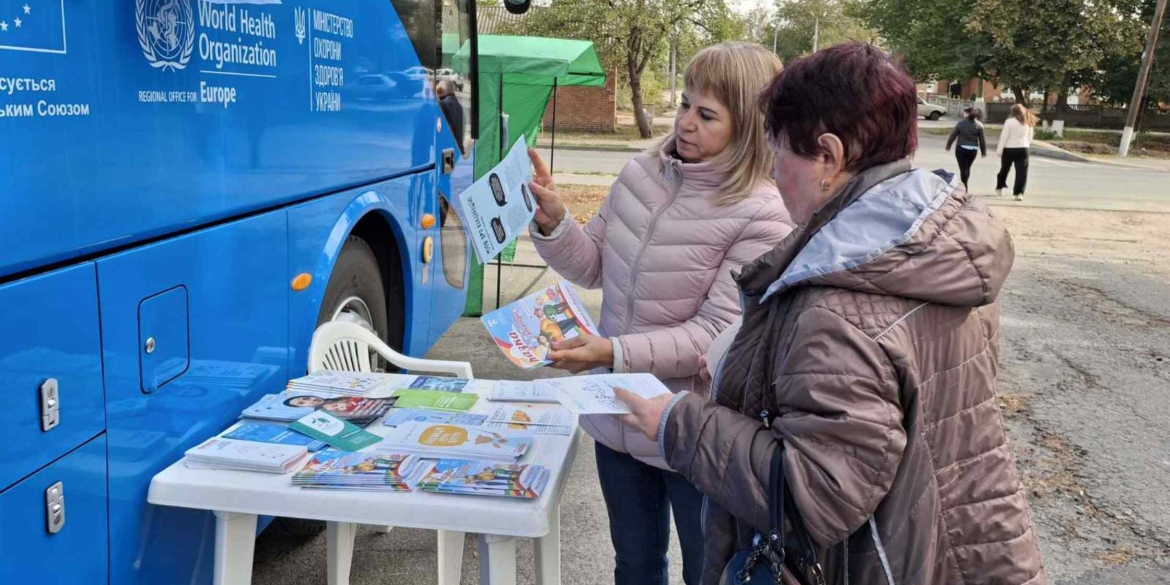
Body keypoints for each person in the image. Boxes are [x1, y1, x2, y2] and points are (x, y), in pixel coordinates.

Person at [617, 43, 1045, 584]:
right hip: (963, 545)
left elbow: (817, 493)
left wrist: (679, 423)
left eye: (779, 153)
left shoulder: (839, 303)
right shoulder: (930, 244)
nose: (772, 173)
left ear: (828, 155)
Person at [526, 42, 794, 585]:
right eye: (685, 104)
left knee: (707, 571)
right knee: (635, 565)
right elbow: (594, 263)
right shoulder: (640, 173)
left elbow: (715, 334)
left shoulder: (764, 213)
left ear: (748, 126)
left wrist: (613, 351)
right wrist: (556, 224)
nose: (686, 124)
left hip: (692, 431)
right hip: (616, 412)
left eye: (707, 114)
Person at [997, 103, 1037, 201]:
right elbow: (1030, 137)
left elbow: (1004, 137)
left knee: (1005, 169)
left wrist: (999, 150)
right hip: (1023, 149)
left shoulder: (1009, 122)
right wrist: (1026, 144)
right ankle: (1019, 193)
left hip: (1009, 149)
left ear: (1013, 113)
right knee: (1022, 172)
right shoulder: (1028, 121)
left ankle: (1000, 187)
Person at [946, 106, 987, 192]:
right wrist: (983, 151)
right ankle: (965, 185)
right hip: (973, 150)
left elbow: (953, 135)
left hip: (961, 148)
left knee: (963, 168)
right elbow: (982, 140)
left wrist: (948, 145)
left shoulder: (961, 123)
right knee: (967, 168)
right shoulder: (979, 125)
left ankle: (965, 186)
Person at [436, 79, 465, 153]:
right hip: (458, 149)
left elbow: (438, 129)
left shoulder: (442, 105)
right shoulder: (460, 107)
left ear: (442, 90)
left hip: (445, 150)